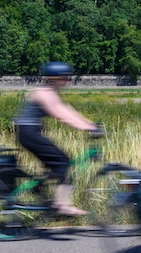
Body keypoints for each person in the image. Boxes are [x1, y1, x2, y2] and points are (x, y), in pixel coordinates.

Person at [14, 61, 101, 216]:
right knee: (63, 162)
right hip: (29, 134)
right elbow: (60, 115)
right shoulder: (44, 94)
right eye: (65, 77)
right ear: (54, 78)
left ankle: (39, 185)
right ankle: (62, 205)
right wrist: (86, 128)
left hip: (30, 133)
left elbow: (67, 110)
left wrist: (89, 123)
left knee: (58, 164)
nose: (68, 81)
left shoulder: (50, 93)